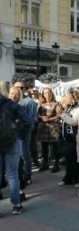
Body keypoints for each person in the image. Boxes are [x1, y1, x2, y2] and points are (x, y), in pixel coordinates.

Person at [0, 81, 33, 214]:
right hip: (11, 141)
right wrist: (20, 135)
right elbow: (28, 121)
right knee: (12, 174)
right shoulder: (12, 105)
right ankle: (16, 205)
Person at [57, 89, 79, 187]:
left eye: (67, 96)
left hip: (75, 138)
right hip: (67, 138)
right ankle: (68, 178)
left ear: (73, 98)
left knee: (76, 160)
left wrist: (62, 114)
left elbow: (73, 122)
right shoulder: (68, 107)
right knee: (69, 160)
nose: (65, 98)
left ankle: (78, 180)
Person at [13, 80, 37, 183]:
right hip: (12, 134)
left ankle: (27, 176)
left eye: (21, 87)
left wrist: (23, 133)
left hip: (23, 134)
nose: (19, 90)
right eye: (16, 87)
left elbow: (30, 121)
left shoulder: (29, 102)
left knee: (24, 155)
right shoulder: (11, 101)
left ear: (25, 89)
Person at [36, 87, 60, 172]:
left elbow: (59, 115)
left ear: (51, 93)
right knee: (44, 147)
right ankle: (45, 164)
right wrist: (41, 117)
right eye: (45, 93)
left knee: (54, 147)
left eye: (49, 92)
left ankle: (56, 164)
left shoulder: (56, 103)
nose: (47, 94)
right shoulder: (41, 104)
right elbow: (37, 115)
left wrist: (50, 119)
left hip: (53, 127)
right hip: (42, 127)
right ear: (43, 94)